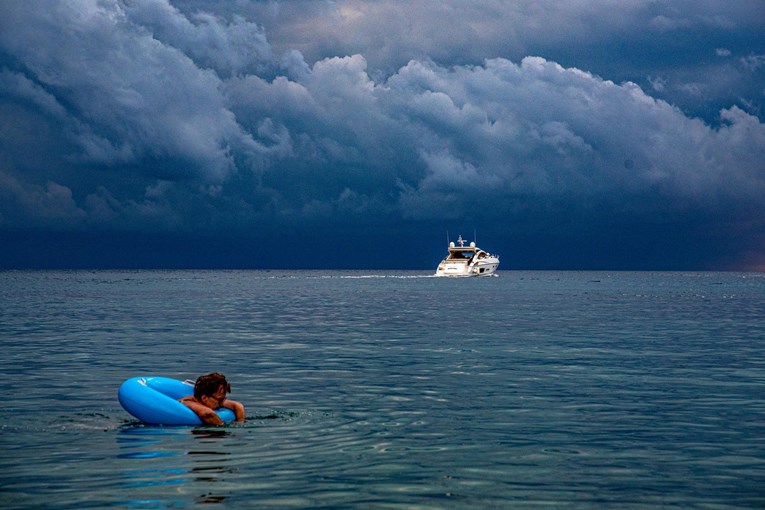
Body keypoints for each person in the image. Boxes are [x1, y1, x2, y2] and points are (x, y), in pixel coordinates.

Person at [179, 373, 246, 425]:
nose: (221, 403)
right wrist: (224, 428)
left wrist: (240, 422)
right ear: (204, 398)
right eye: (220, 400)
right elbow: (207, 414)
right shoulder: (187, 402)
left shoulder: (212, 400)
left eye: (223, 399)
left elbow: (237, 405)